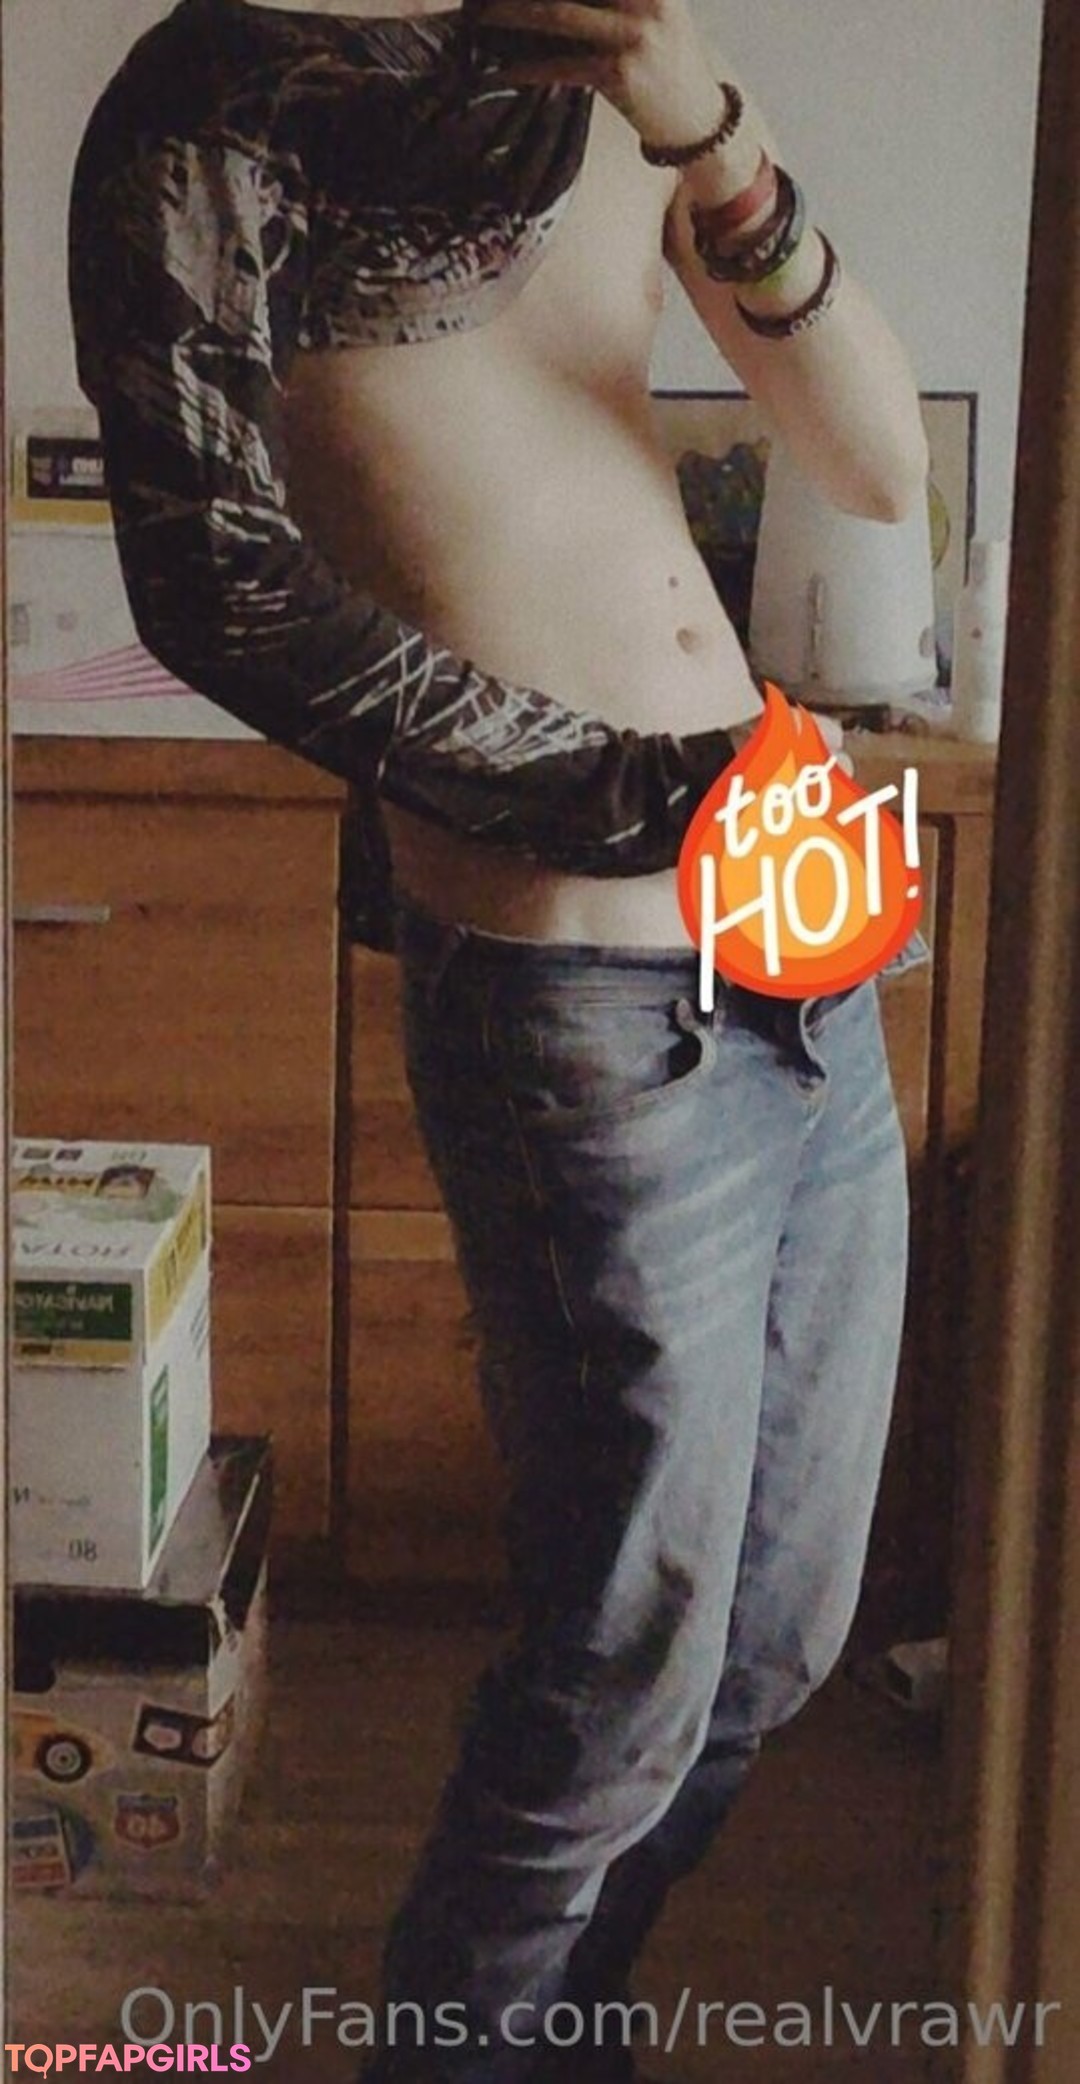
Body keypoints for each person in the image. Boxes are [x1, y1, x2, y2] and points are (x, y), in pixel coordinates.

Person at [68, 1, 928, 2078]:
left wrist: (709, 130)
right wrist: (635, 797)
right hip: (583, 987)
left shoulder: (619, 74)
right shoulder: (225, 84)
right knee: (625, 1664)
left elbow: (879, 466)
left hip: (798, 936)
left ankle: (547, 2034)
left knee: (778, 1640)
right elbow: (212, 580)